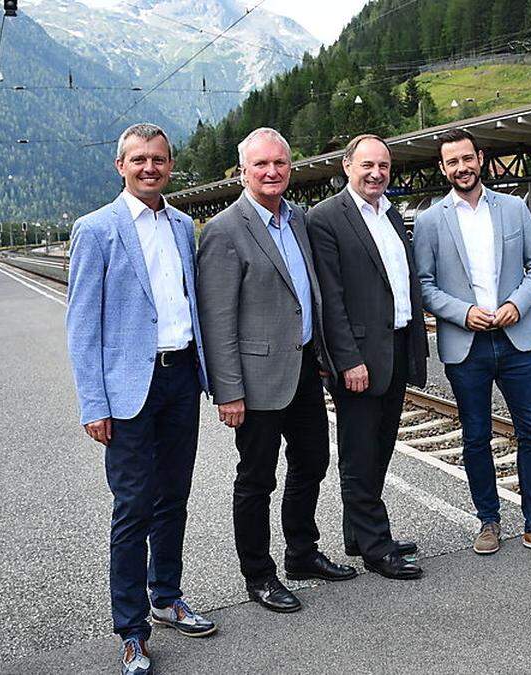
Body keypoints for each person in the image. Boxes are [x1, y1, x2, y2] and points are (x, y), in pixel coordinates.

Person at [66, 122, 215, 675]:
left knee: (173, 496)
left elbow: (188, 303)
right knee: (132, 508)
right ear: (120, 166)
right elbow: (82, 324)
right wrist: (93, 403)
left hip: (180, 380)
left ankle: (167, 596)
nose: (149, 167)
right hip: (129, 389)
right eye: (139, 159)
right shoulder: (96, 229)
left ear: (170, 164)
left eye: (159, 159)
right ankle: (131, 630)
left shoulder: (181, 225)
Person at [196, 127, 356, 615]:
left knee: (312, 462)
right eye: (261, 164)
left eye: (280, 164)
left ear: (291, 168)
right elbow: (217, 317)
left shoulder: (299, 219)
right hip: (256, 378)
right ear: (243, 170)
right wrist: (228, 391)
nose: (271, 172)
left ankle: (301, 554)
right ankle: (259, 575)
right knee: (256, 478)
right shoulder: (225, 229)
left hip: (305, 367)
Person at [413, 128, 531, 560]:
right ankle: (488, 521)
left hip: (516, 340)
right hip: (465, 344)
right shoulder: (431, 221)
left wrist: (517, 304)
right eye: (452, 162)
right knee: (475, 436)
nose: (461, 167)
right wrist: (462, 312)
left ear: (481, 158)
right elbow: (425, 285)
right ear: (443, 168)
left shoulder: (513, 209)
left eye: (467, 158)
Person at [307, 134, 428, 580]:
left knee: (380, 445)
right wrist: (346, 359)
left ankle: (359, 533)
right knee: (359, 452)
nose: (376, 173)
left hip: (395, 344)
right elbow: (330, 299)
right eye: (367, 165)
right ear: (347, 166)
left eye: (383, 165)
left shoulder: (391, 214)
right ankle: (378, 548)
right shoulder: (326, 218)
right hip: (358, 354)